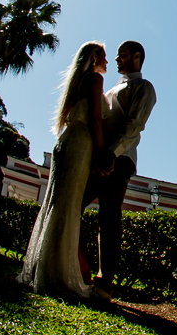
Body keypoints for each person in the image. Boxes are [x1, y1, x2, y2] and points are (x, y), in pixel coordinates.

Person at [17, 41, 110, 299]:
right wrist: (101, 152)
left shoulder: (76, 82)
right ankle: (58, 274)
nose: (107, 62)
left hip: (65, 142)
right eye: (103, 56)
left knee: (56, 202)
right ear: (94, 57)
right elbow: (95, 118)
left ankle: (42, 267)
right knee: (69, 206)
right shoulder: (94, 80)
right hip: (81, 143)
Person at [81, 40, 156, 295]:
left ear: (136, 57)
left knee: (109, 216)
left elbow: (135, 125)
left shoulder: (144, 88)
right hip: (100, 156)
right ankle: (80, 269)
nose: (116, 59)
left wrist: (111, 153)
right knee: (75, 205)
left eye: (121, 55)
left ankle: (105, 282)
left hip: (120, 158)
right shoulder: (113, 88)